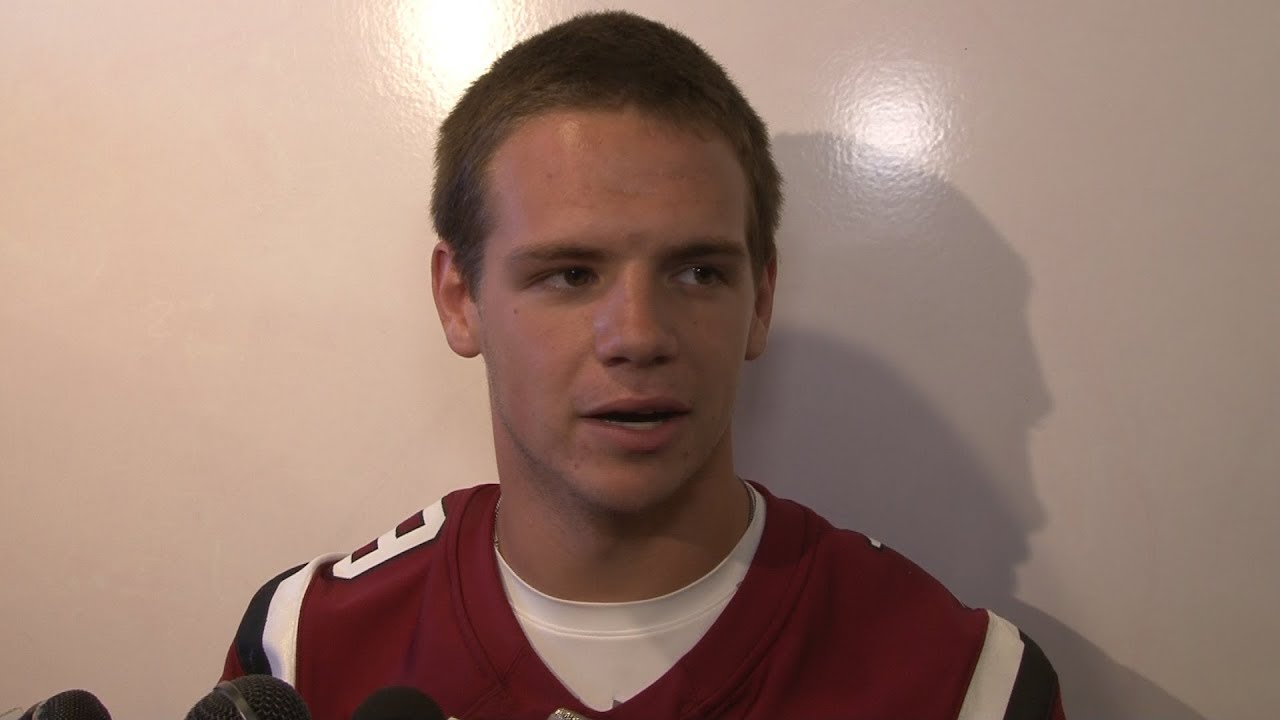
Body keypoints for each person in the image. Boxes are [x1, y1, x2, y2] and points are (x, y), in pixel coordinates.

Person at [219, 11, 1065, 720]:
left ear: (760, 300)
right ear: (459, 297)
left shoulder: (960, 685)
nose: (637, 334)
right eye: (570, 275)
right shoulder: (303, 650)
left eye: (698, 272)